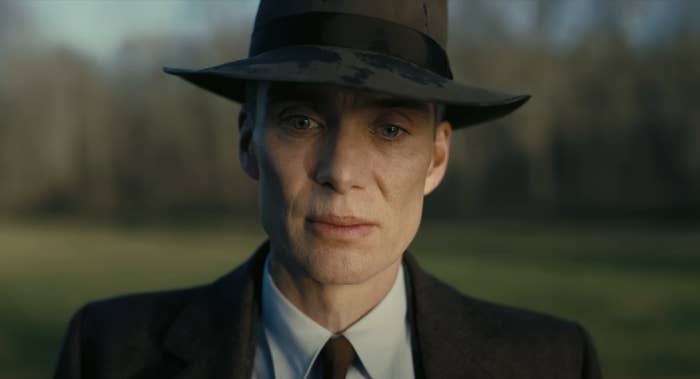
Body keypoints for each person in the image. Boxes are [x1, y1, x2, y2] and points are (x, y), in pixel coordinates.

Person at [55, 1, 602, 378]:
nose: (341, 171)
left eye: (389, 129)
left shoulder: (551, 363)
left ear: (436, 158)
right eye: (301, 121)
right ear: (248, 140)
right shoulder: (107, 354)